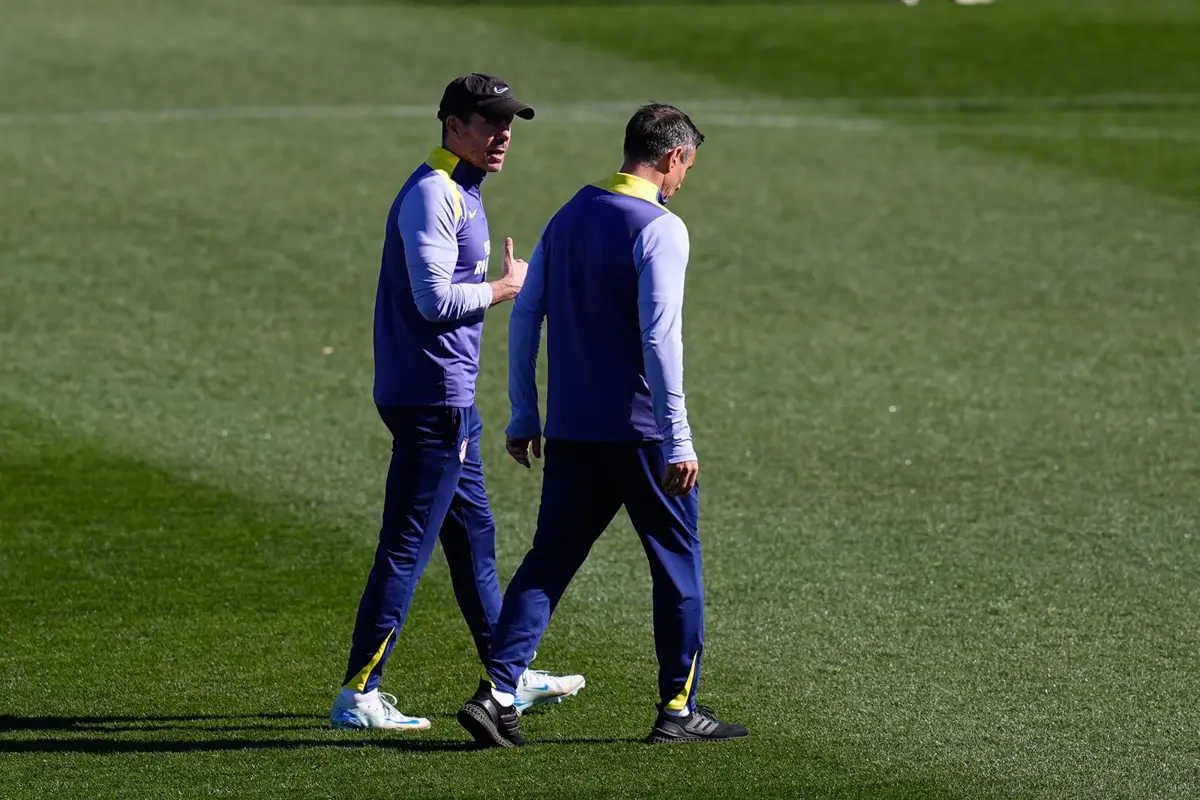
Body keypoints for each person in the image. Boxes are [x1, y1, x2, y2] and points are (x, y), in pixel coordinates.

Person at [456, 104, 748, 747]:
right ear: (672, 157)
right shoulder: (661, 228)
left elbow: (527, 314)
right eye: (686, 169)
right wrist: (680, 437)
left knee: (548, 561)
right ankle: (677, 708)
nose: (683, 181)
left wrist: (527, 412)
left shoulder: (569, 214)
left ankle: (497, 691)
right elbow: (660, 340)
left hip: (571, 432)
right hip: (641, 435)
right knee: (677, 567)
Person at [330, 74, 585, 731]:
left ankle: (509, 672)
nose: (502, 136)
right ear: (451, 125)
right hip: (431, 402)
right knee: (407, 548)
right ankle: (360, 691)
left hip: (450, 401)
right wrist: (506, 287)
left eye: (508, 124)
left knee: (475, 542)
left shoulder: (464, 192)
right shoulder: (433, 195)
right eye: (488, 122)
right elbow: (434, 302)